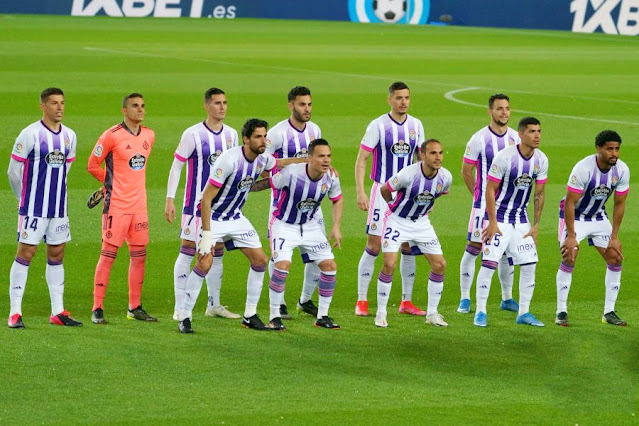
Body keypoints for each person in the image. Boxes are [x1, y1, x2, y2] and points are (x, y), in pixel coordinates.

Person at [177, 118, 299, 333]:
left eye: (265, 136)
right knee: (205, 263)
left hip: (235, 217)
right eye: (258, 137)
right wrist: (206, 235)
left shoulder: (262, 159)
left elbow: (279, 163)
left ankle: (250, 315)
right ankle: (185, 316)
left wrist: (310, 161)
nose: (263, 141)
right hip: (212, 217)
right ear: (246, 139)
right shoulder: (229, 160)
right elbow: (206, 199)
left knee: (260, 260)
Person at [6, 87, 82, 328]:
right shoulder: (30, 134)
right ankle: (15, 312)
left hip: (59, 208)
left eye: (62, 103)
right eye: (53, 103)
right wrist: (23, 198)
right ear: (43, 106)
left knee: (57, 254)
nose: (59, 107)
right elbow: (13, 171)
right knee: (25, 253)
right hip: (33, 208)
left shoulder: (70, 135)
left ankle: (57, 311)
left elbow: (66, 168)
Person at [165, 88, 240, 321]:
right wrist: (170, 198)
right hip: (194, 207)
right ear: (207, 106)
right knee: (188, 252)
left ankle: (214, 305)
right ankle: (179, 308)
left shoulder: (232, 135)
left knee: (217, 254)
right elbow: (177, 165)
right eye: (217, 103)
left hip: (221, 208)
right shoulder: (193, 134)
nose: (222, 107)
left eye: (225, 102)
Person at [252, 139, 343, 330]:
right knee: (282, 265)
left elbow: (337, 199)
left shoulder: (331, 177)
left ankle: (322, 316)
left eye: (328, 156)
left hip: (310, 226)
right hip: (284, 225)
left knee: (329, 265)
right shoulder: (292, 173)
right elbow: (268, 183)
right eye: (321, 156)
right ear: (309, 158)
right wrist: (243, 186)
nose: (326, 161)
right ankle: (275, 315)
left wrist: (336, 226)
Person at [354, 82, 426, 317]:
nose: (403, 102)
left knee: (408, 245)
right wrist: (361, 191)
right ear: (390, 100)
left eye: (406, 97)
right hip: (381, 192)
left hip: (407, 195)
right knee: (374, 245)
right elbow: (362, 159)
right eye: (398, 98)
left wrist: (423, 195)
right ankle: (362, 300)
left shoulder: (416, 125)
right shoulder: (378, 125)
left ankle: (406, 301)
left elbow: (421, 161)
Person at [87, 93, 156, 324]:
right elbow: (92, 164)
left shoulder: (149, 135)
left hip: (139, 206)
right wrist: (109, 184)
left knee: (139, 256)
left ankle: (134, 307)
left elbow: (135, 172)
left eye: (143, 106)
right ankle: (97, 308)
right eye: (135, 106)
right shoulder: (111, 136)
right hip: (116, 206)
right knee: (108, 255)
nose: (140, 109)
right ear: (124, 111)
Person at [475, 117, 547, 327]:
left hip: (521, 219)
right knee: (489, 264)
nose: (537, 135)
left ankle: (524, 313)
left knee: (529, 264)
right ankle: (480, 311)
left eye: (539, 131)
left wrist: (535, 225)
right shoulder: (505, 157)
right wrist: (492, 222)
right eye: (532, 131)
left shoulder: (541, 159)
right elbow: (490, 189)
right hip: (499, 217)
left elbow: (539, 194)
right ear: (521, 134)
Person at [555, 130, 629, 327]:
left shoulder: (621, 170)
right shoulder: (583, 168)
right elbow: (570, 203)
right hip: (574, 216)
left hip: (598, 216)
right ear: (598, 149)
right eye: (610, 149)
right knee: (569, 254)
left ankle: (609, 312)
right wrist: (571, 236)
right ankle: (561, 311)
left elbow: (619, 204)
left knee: (615, 256)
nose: (614, 153)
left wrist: (614, 236)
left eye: (617, 149)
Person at [375, 139, 452, 328]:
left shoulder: (445, 177)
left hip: (421, 223)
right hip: (397, 221)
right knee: (389, 264)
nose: (438, 157)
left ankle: (432, 313)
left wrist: (425, 206)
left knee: (440, 264)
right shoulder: (408, 174)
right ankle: (381, 313)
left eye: (440, 153)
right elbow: (385, 189)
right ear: (423, 155)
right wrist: (393, 205)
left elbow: (439, 194)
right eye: (433, 153)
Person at [458, 94, 519, 314]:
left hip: (509, 207)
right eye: (500, 108)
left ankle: (507, 298)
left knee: (507, 252)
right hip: (483, 206)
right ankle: (465, 298)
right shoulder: (479, 139)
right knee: (474, 248)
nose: (504, 112)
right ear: (490, 112)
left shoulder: (516, 138)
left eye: (507, 108)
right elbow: (466, 171)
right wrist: (479, 197)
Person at [265, 86, 322, 319]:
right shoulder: (278, 133)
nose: (306, 109)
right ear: (291, 105)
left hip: (311, 204)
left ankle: (305, 300)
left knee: (318, 253)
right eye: (301, 104)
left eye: (309, 104)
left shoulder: (315, 129)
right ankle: (278, 304)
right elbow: (264, 160)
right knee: (279, 256)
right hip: (282, 203)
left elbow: (319, 157)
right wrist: (296, 161)